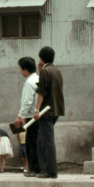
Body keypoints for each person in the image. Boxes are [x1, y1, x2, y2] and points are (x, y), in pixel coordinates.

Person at [33, 46, 65, 179]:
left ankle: (51, 171)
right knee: (41, 139)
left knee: (47, 141)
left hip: (46, 111)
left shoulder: (46, 71)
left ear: (41, 58)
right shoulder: (56, 70)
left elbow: (42, 91)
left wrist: (37, 110)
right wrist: (40, 71)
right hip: (56, 109)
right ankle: (44, 168)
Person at [13, 57, 40, 177]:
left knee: (31, 144)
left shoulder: (29, 82)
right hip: (36, 116)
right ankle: (37, 168)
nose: (20, 70)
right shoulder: (37, 79)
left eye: (20, 68)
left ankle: (33, 169)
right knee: (36, 143)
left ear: (25, 69)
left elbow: (27, 101)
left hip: (31, 117)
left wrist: (19, 116)